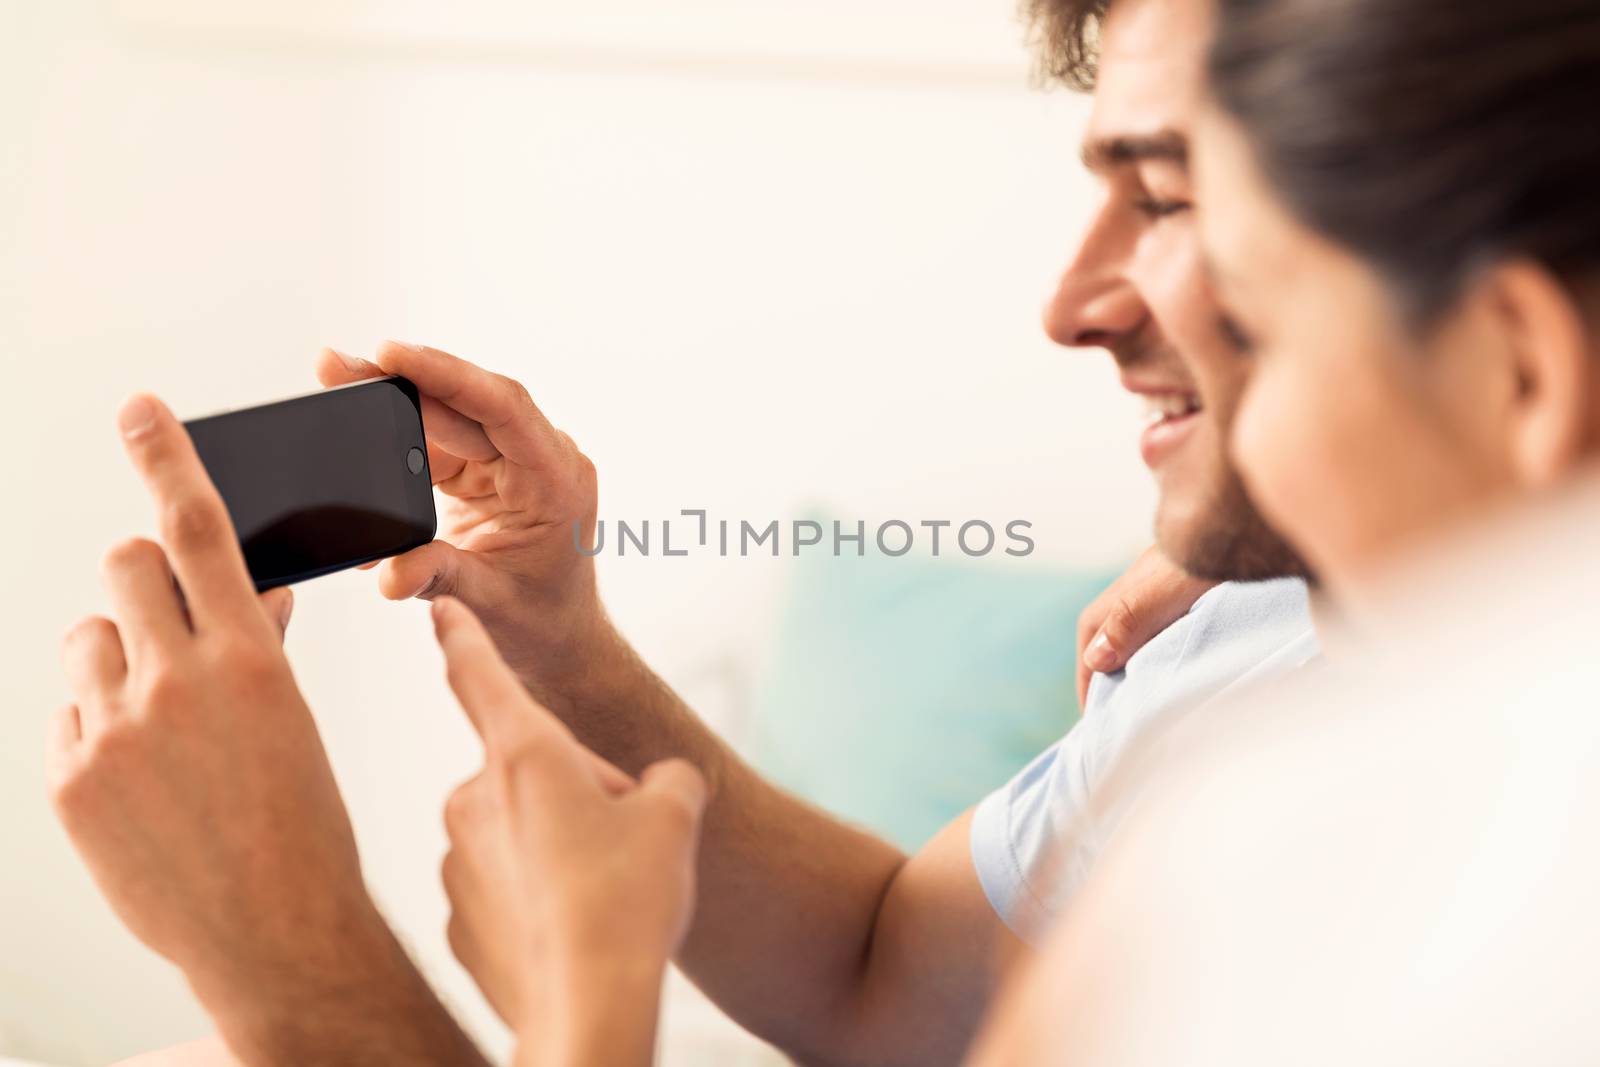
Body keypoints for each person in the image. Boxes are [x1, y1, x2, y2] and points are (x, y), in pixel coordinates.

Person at [68, 0, 1324, 1063]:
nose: (1067, 305)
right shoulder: (1244, 628)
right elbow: (888, 982)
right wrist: (563, 641)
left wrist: (284, 944)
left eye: (1166, 194)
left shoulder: (1435, 790)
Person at [964, 0, 1600, 1061]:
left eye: (1258, 334)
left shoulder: (1270, 860)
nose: (1248, 445)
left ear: (1521, 370)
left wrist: (599, 986)